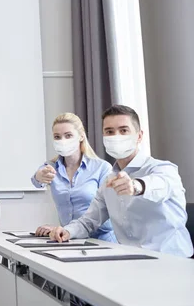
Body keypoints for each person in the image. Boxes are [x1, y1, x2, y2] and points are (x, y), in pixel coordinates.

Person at [50, 105, 193, 257]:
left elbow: (160, 184)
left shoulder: (163, 168)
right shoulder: (108, 181)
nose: (116, 136)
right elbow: (89, 221)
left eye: (124, 130)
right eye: (109, 132)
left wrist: (136, 186)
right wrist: (67, 231)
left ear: (139, 136)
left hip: (171, 261)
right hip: (130, 260)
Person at [31, 113, 116, 243]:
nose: (62, 141)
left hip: (102, 240)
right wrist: (39, 176)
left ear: (81, 136)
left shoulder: (101, 168)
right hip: (70, 240)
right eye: (57, 137)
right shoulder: (52, 167)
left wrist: (69, 230)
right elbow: (36, 180)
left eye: (68, 135)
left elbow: (109, 209)